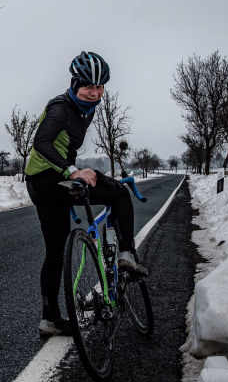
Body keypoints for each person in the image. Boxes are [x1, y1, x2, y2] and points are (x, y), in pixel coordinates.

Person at [24, 51, 148, 337]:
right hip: (50, 180)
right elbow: (41, 141)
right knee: (118, 193)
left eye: (99, 87)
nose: (94, 93)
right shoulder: (62, 108)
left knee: (55, 251)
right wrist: (71, 170)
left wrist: (73, 170)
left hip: (41, 183)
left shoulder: (85, 108)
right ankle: (127, 254)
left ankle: (50, 320)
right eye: (88, 87)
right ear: (74, 83)